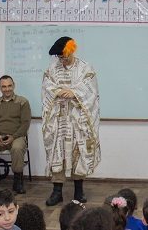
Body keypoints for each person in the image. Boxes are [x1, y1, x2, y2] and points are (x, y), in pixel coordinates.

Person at [42, 36, 101, 206]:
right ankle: (57, 191)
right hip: (59, 120)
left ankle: (78, 190)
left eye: (64, 57)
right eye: (59, 58)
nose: (62, 60)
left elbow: (91, 89)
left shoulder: (85, 68)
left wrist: (74, 92)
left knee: (78, 152)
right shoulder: (51, 69)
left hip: (78, 120)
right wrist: (59, 91)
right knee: (57, 152)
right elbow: (47, 86)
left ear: (71, 51)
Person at [0, 75, 32, 194]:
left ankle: (18, 181)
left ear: (14, 85)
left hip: (16, 136)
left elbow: (25, 124)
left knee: (17, 148)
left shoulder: (23, 102)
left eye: (9, 86)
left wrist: (13, 136)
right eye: (4, 86)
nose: (7, 89)